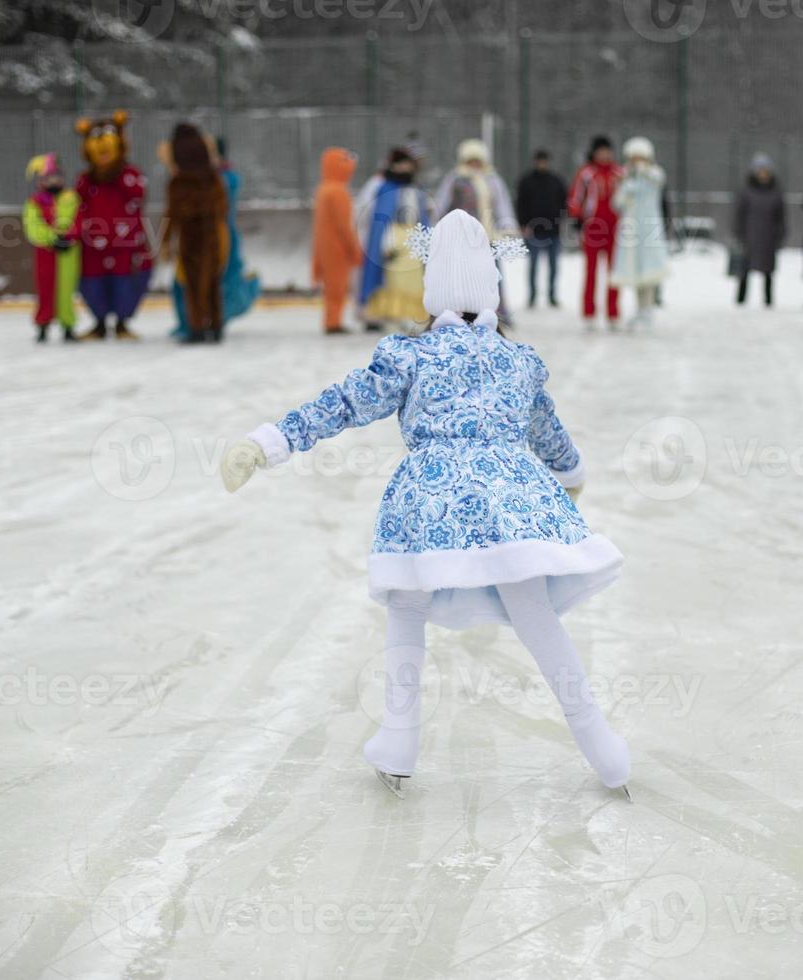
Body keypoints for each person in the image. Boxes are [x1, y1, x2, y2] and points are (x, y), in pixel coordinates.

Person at [217, 210, 631, 800]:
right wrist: (571, 474)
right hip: (511, 497)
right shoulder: (518, 361)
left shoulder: (412, 356)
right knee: (533, 611)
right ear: (490, 291)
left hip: (427, 498)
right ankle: (602, 746)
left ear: (432, 291)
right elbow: (548, 432)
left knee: (408, 605)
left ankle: (399, 736)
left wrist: (271, 441)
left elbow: (345, 403)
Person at [73, 111, 150, 341]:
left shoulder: (129, 175)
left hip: (124, 246)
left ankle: (122, 324)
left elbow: (138, 196)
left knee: (126, 283)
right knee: (92, 284)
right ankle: (99, 324)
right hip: (92, 247)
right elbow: (76, 204)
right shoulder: (86, 180)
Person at [158, 123, 229, 345]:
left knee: (194, 284)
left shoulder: (178, 183)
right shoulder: (213, 179)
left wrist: (165, 241)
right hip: (213, 235)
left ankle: (197, 327)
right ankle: (216, 326)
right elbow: (222, 209)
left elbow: (171, 215)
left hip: (190, 238)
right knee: (212, 282)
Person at [435, 139, 518, 324]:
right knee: (462, 277)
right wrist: (436, 225)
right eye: (470, 161)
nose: (474, 165)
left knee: (491, 274)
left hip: (487, 237)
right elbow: (442, 203)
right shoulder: (455, 179)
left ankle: (496, 312)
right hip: (461, 237)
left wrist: (507, 225)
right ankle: (463, 313)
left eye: (477, 160)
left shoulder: (492, 179)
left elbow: (502, 205)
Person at [359, 147, 434, 332]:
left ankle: (414, 315)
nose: (404, 168)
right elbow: (377, 216)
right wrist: (384, 242)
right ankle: (388, 314)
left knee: (415, 278)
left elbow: (425, 212)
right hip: (393, 235)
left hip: (415, 236)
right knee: (393, 278)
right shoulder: (383, 187)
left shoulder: (416, 188)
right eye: (400, 164)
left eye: (407, 164)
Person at [610, 137, 670, 328]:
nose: (636, 161)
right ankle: (639, 309)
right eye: (633, 158)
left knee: (650, 271)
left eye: (639, 157)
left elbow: (657, 179)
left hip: (650, 230)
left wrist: (639, 171)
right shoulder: (626, 179)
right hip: (632, 233)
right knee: (635, 271)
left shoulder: (653, 174)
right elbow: (617, 204)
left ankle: (648, 310)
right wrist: (625, 185)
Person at [21, 153, 79, 343]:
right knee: (45, 288)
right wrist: (52, 238)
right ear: (41, 181)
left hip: (68, 253)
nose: (54, 181)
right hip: (46, 252)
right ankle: (43, 325)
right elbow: (33, 226)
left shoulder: (72, 198)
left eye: (57, 176)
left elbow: (80, 220)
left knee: (66, 290)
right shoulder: (34, 202)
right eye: (49, 178)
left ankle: (68, 325)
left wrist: (70, 237)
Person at [568, 135, 623, 330]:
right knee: (591, 272)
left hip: (615, 229)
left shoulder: (619, 172)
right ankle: (589, 313)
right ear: (594, 152)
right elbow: (575, 198)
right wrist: (576, 219)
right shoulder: (586, 173)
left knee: (614, 273)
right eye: (600, 151)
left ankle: (613, 313)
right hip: (593, 227)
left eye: (607, 151)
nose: (604, 154)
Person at [312, 147, 363, 335]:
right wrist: (354, 249)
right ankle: (333, 323)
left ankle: (331, 320)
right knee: (337, 288)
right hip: (337, 248)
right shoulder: (339, 192)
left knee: (331, 288)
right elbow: (344, 226)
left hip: (324, 247)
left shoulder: (323, 189)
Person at [515, 149, 567, 309]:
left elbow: (564, 203)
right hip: (533, 230)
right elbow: (520, 204)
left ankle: (552, 295)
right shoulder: (526, 181)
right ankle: (532, 296)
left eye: (544, 161)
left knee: (553, 265)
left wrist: (561, 221)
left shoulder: (556, 181)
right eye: (540, 161)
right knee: (533, 265)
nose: (542, 164)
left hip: (553, 230)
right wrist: (523, 224)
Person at [734, 152, 785, 308]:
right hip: (750, 236)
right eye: (760, 171)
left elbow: (781, 217)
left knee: (768, 270)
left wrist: (779, 235)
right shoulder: (746, 192)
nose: (763, 174)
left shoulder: (776, 193)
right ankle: (740, 300)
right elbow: (739, 215)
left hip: (768, 237)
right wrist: (739, 234)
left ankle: (768, 300)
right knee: (745, 268)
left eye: (766, 171)